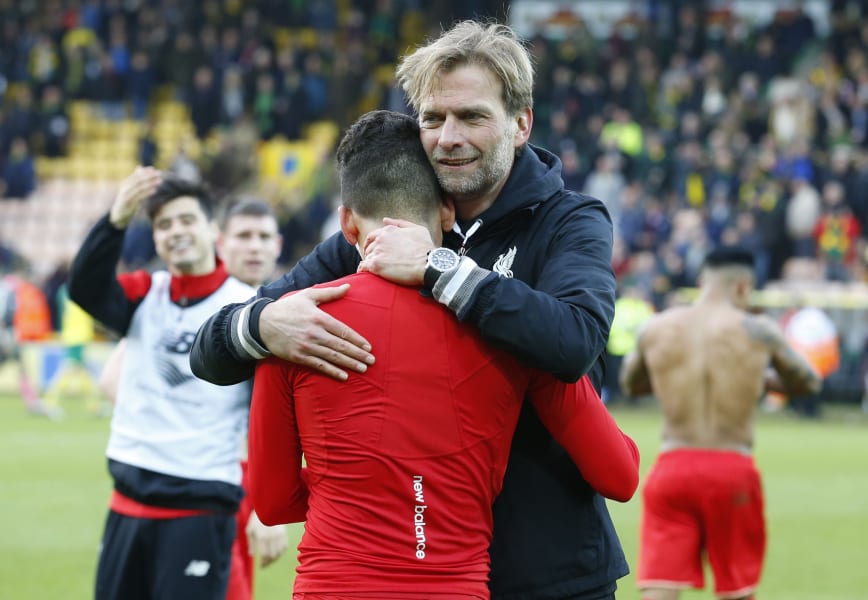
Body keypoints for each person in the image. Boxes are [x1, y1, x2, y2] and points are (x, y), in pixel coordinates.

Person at [192, 21, 622, 600]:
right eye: (432, 118)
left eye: (471, 116)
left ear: (520, 124)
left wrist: (441, 271)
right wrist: (261, 324)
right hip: (424, 570)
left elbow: (574, 344)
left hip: (551, 568)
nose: (447, 137)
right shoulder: (369, 234)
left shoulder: (569, 219)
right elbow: (208, 352)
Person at [68, 168, 257, 600]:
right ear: (154, 239)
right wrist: (115, 221)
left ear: (213, 230)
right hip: (127, 502)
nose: (176, 232)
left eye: (187, 220)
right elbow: (85, 288)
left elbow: (263, 412)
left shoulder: (247, 307)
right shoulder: (144, 293)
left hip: (200, 505)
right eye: (164, 225)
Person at [96, 196, 288, 600]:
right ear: (217, 240)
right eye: (243, 236)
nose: (254, 247)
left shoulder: (269, 311)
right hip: (209, 483)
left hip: (232, 485)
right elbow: (111, 379)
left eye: (264, 237)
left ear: (278, 246)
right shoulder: (178, 302)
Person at [619, 246, 822, 600]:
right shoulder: (758, 330)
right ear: (744, 286)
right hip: (732, 469)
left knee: (659, 589)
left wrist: (675, 377)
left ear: (701, 282)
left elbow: (631, 383)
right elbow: (808, 381)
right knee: (736, 590)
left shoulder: (658, 327)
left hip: (672, 467)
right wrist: (757, 378)